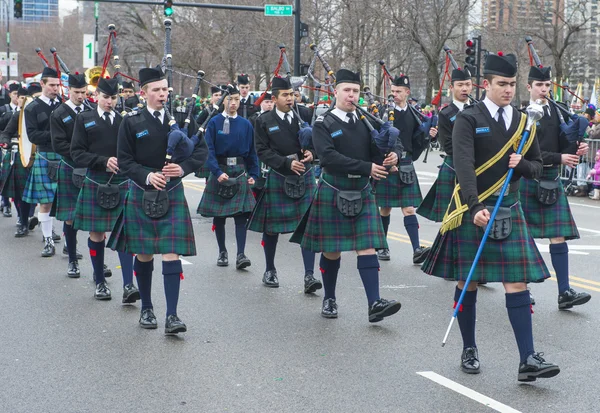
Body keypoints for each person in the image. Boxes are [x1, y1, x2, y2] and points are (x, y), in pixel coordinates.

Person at [422, 53, 560, 382]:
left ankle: (527, 358)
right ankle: (469, 348)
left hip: (509, 208)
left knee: (517, 282)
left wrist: (521, 165)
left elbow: (538, 166)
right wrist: (473, 207)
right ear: (486, 84)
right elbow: (464, 166)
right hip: (475, 208)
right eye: (502, 84)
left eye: (513, 84)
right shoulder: (468, 119)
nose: (509, 90)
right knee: (466, 279)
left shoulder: (525, 122)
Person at [290, 69, 402, 322]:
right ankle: (329, 298)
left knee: (367, 247)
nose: (351, 95)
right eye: (347, 90)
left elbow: (377, 151)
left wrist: (392, 157)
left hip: (361, 190)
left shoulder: (365, 121)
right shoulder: (324, 123)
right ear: (336, 92)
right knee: (332, 251)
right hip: (334, 188)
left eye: (355, 91)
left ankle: (374, 303)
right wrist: (367, 168)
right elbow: (328, 157)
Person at [108, 67, 207, 334]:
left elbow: (201, 150)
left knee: (171, 251)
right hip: (143, 191)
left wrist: (183, 168)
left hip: (172, 190)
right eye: (156, 90)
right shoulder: (131, 122)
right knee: (144, 252)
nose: (162, 94)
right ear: (144, 93)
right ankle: (147, 308)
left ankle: (172, 315)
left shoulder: (181, 118)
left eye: (165, 89)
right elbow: (125, 162)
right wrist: (148, 175)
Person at [519, 65, 591, 309]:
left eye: (547, 85)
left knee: (558, 235)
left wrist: (575, 149)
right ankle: (522, 290)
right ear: (529, 87)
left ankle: (564, 292)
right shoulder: (523, 115)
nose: (544, 90)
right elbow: (528, 152)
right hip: (529, 177)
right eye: (539, 85)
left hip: (551, 178)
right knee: (523, 237)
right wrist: (560, 157)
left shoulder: (557, 112)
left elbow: (563, 144)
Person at [248, 77, 320, 291]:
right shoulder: (264, 120)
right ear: (275, 98)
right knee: (272, 228)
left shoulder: (305, 114)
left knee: (308, 226)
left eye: (292, 94)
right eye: (286, 95)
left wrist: (312, 154)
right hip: (280, 175)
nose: (290, 98)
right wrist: (286, 163)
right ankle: (270, 269)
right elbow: (261, 151)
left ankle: (309, 275)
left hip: (304, 175)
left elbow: (319, 143)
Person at [69, 77, 137, 303]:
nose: (110, 102)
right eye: (106, 97)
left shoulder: (124, 121)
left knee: (125, 233)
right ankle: (100, 282)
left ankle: (129, 285)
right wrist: (103, 160)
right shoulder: (84, 119)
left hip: (121, 181)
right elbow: (77, 153)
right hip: (96, 180)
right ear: (96, 96)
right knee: (96, 233)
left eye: (114, 98)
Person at [197, 84, 258, 269]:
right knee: (220, 217)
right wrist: (216, 172)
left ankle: (241, 254)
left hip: (239, 170)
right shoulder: (214, 123)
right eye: (230, 99)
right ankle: (222, 252)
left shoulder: (246, 124)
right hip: (220, 170)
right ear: (223, 100)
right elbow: (209, 151)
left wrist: (254, 174)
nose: (233, 103)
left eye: (237, 100)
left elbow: (252, 152)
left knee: (241, 216)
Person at [375, 74, 434, 264]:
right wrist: (386, 160)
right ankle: (383, 246)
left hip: (406, 164)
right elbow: (378, 139)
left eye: (398, 91)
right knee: (384, 208)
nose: (394, 95)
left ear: (407, 92)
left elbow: (416, 141)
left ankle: (416, 249)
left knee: (409, 209)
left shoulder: (414, 114)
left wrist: (429, 135)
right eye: (392, 91)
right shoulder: (385, 112)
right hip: (389, 164)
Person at [418, 68, 473, 223]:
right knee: (451, 219)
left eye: (468, 84)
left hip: (477, 166)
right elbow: (448, 146)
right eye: (460, 84)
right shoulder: (446, 114)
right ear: (451, 87)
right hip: (454, 166)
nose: (464, 88)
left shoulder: (478, 110)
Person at [50, 73, 89, 278]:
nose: (81, 96)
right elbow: (59, 145)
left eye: (84, 92)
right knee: (71, 218)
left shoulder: (92, 110)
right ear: (68, 91)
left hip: (92, 168)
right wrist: (82, 153)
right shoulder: (59, 113)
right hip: (71, 167)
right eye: (77, 92)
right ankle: (72, 261)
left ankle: (97, 264)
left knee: (94, 219)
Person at [22, 67, 62, 257]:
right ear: (42, 84)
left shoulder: (64, 104)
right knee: (46, 202)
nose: (55, 88)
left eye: (57, 85)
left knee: (67, 201)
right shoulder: (32, 108)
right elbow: (33, 135)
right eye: (52, 85)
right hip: (46, 156)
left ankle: (71, 244)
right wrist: (57, 136)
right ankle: (48, 241)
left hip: (65, 157)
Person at [0, 82, 21, 217]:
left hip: (22, 149)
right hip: (5, 147)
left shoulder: (27, 111)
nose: (17, 98)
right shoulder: (3, 109)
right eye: (15, 95)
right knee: (4, 176)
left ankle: (23, 215)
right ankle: (6, 203)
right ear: (10, 95)